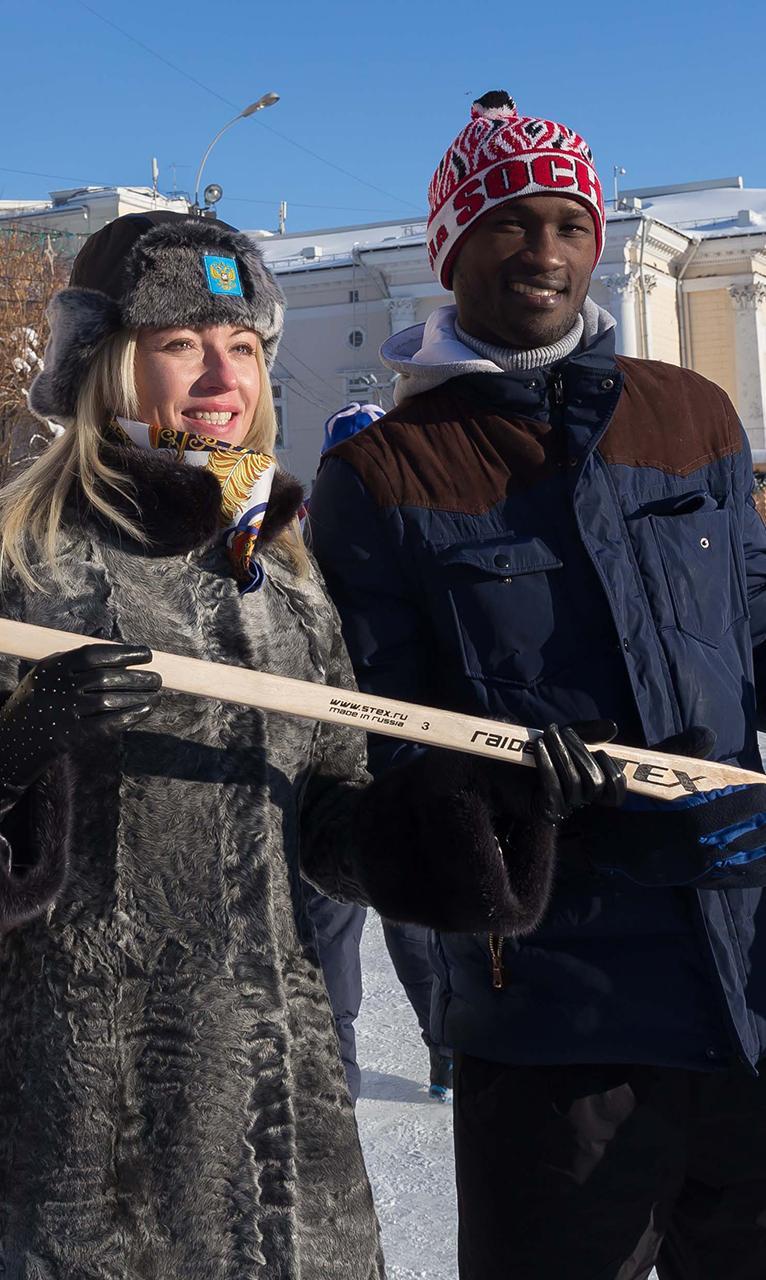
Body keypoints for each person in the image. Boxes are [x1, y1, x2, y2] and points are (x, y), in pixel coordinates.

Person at [308, 92, 766, 1279]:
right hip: (555, 1027)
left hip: (764, 989)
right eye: (512, 223)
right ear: (451, 247)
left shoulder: (689, 416)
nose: (548, 252)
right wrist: (564, 829)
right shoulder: (383, 475)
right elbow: (384, 751)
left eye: (570, 224)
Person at [0, 211, 620, 1279]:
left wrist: (478, 797)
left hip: (272, 1096)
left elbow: (332, 821)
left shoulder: (285, 562)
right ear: (106, 361)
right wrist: (11, 746)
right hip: (73, 1091)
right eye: (180, 341)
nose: (218, 373)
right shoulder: (17, 551)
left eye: (240, 345)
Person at [303, 400, 456, 1105]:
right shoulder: (292, 546)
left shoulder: (416, 535)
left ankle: (442, 1049)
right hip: (329, 765)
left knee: (406, 917)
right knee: (334, 922)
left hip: (397, 762)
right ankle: (339, 1071)